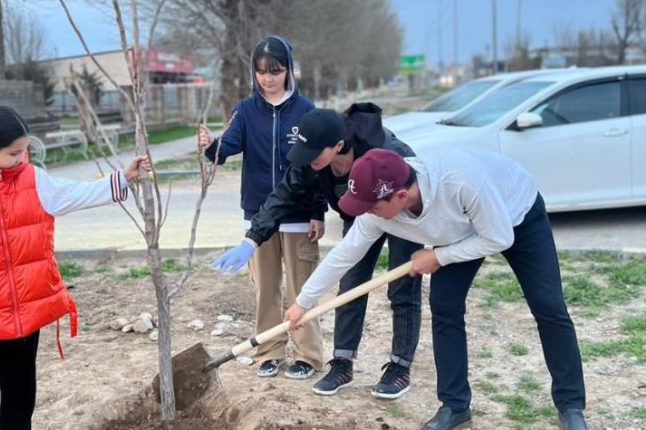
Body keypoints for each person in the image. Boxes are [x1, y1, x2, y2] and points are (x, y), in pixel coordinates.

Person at [285, 148, 588, 430]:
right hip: (457, 227)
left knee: (549, 306)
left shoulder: (461, 182)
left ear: (401, 196)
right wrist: (304, 303)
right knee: (444, 306)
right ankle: (455, 405)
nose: (367, 214)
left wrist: (438, 256)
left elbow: (498, 237)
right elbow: (345, 254)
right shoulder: (376, 213)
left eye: (372, 206)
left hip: (514, 214)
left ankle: (571, 405)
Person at [0, 106, 151, 429]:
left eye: (24, 150)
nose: (21, 158)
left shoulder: (31, 177)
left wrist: (121, 178)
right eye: (14, 153)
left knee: (20, 395)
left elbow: (73, 194)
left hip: (23, 305)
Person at [214, 104, 423, 399]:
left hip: (399, 209)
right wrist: (251, 240)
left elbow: (413, 194)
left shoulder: (383, 154)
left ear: (338, 145)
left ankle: (400, 368)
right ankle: (342, 362)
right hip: (362, 216)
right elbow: (283, 195)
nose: (306, 159)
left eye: (313, 153)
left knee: (403, 287)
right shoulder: (311, 160)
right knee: (351, 283)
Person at [197, 36, 325, 379]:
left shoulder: (306, 110)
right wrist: (212, 147)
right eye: (261, 72)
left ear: (288, 70)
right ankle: (269, 351)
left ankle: (307, 355)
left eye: (275, 71)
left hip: (299, 216)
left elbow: (316, 167)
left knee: (303, 289)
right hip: (258, 215)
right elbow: (228, 148)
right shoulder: (245, 110)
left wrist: (317, 211)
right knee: (266, 289)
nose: (267, 78)